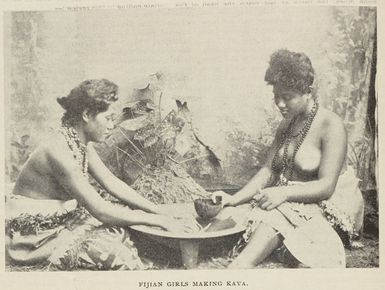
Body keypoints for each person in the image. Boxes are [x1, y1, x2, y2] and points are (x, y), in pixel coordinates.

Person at [6, 79, 197, 270]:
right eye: (109, 118)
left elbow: (111, 182)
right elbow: (100, 210)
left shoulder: (77, 142)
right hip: (38, 234)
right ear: (87, 115)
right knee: (116, 252)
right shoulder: (59, 151)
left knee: (124, 229)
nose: (113, 125)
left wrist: (157, 210)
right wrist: (157, 220)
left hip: (64, 216)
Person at [214, 49, 364, 268]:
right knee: (234, 213)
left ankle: (238, 269)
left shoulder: (331, 125)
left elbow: (326, 186)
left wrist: (284, 192)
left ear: (308, 92)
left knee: (274, 216)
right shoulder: (287, 124)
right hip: (293, 197)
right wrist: (233, 199)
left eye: (287, 97)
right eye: (276, 96)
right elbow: (268, 171)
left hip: (327, 203)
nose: (280, 104)